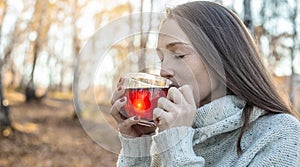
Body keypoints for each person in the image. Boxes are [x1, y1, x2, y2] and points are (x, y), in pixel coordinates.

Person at [110, 1, 300, 166]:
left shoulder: (280, 134)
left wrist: (177, 147)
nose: (163, 70)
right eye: (161, 59)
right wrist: (138, 144)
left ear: (223, 57)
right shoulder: (169, 132)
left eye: (179, 54)